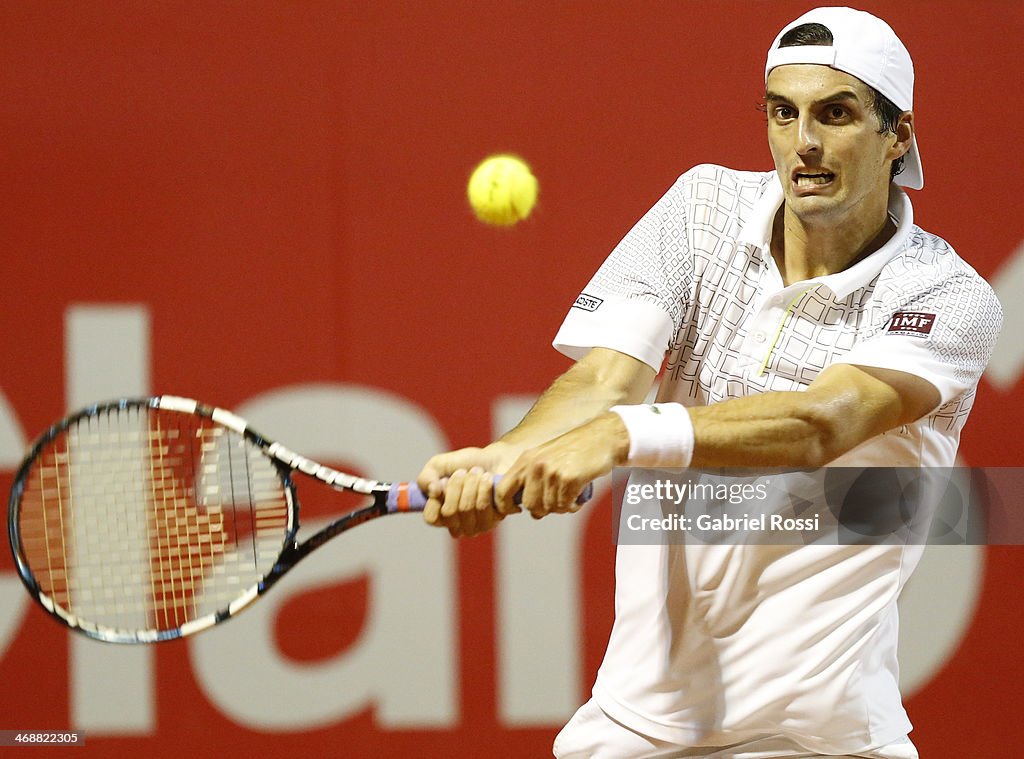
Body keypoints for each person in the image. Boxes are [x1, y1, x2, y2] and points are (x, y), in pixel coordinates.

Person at [417, 7, 1002, 759]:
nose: (805, 144)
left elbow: (823, 422)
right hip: (635, 726)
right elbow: (606, 377)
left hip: (822, 742)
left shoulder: (946, 296)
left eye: (837, 114)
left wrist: (624, 436)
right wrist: (506, 456)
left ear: (899, 135)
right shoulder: (701, 210)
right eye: (782, 113)